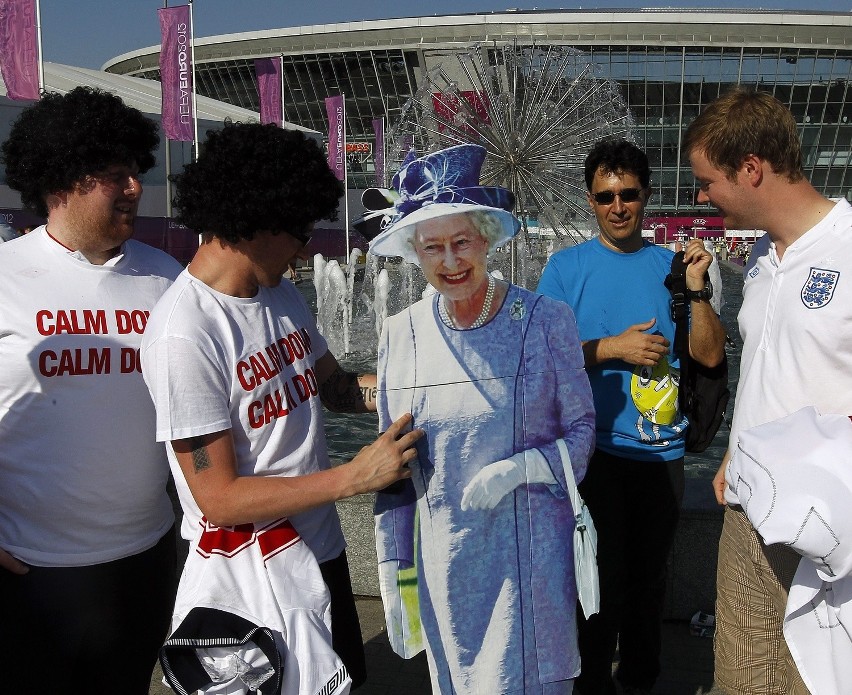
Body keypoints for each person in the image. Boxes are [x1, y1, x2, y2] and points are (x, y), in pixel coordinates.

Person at [140, 122, 422, 694]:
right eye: (298, 229)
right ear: (254, 219)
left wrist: (423, 393)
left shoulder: (280, 293)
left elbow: (336, 388)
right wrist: (353, 477)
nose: (305, 245)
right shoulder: (185, 332)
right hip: (249, 572)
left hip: (319, 549)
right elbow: (217, 499)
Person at [369, 143, 597, 694]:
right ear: (414, 254)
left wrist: (519, 470)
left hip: (533, 565)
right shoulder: (401, 335)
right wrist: (394, 571)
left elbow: (584, 435)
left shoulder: (546, 321)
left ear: (486, 239)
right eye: (433, 248)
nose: (450, 261)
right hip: (448, 566)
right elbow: (391, 468)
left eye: (461, 242)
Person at [0, 86, 181, 693]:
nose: (134, 187)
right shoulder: (6, 277)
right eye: (114, 175)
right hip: (31, 572)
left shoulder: (166, 277)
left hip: (147, 560)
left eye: (136, 172)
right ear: (61, 182)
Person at [537, 138, 726, 695]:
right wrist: (609, 350)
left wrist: (696, 292)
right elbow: (539, 360)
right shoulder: (566, 268)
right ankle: (590, 682)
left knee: (648, 583)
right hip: (594, 452)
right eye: (604, 196)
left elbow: (711, 355)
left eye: (628, 194)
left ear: (646, 196)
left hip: (660, 454)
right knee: (599, 583)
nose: (617, 206)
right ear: (591, 200)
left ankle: (641, 681)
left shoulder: (673, 267)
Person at [684, 87, 852, 695]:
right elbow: (764, 364)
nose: (703, 197)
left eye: (708, 181)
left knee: (813, 680)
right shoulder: (758, 257)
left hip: (823, 529)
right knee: (742, 674)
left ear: (750, 168)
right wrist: (735, 450)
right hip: (747, 514)